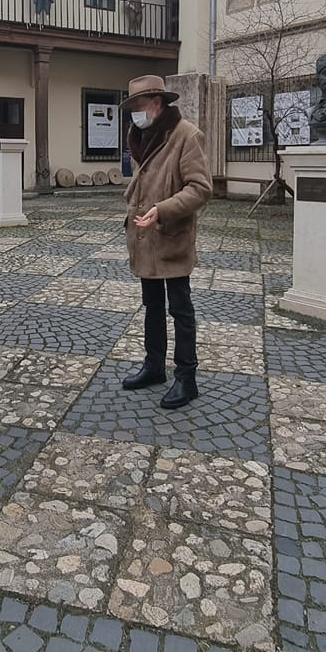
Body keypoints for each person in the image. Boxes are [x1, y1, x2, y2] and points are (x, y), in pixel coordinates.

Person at [121, 74, 212, 409]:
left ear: (157, 104)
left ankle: (186, 378)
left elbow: (200, 188)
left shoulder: (186, 135)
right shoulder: (140, 135)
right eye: (131, 108)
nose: (135, 114)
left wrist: (163, 210)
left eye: (139, 107)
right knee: (153, 306)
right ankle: (154, 366)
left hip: (171, 236)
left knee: (180, 308)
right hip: (144, 237)